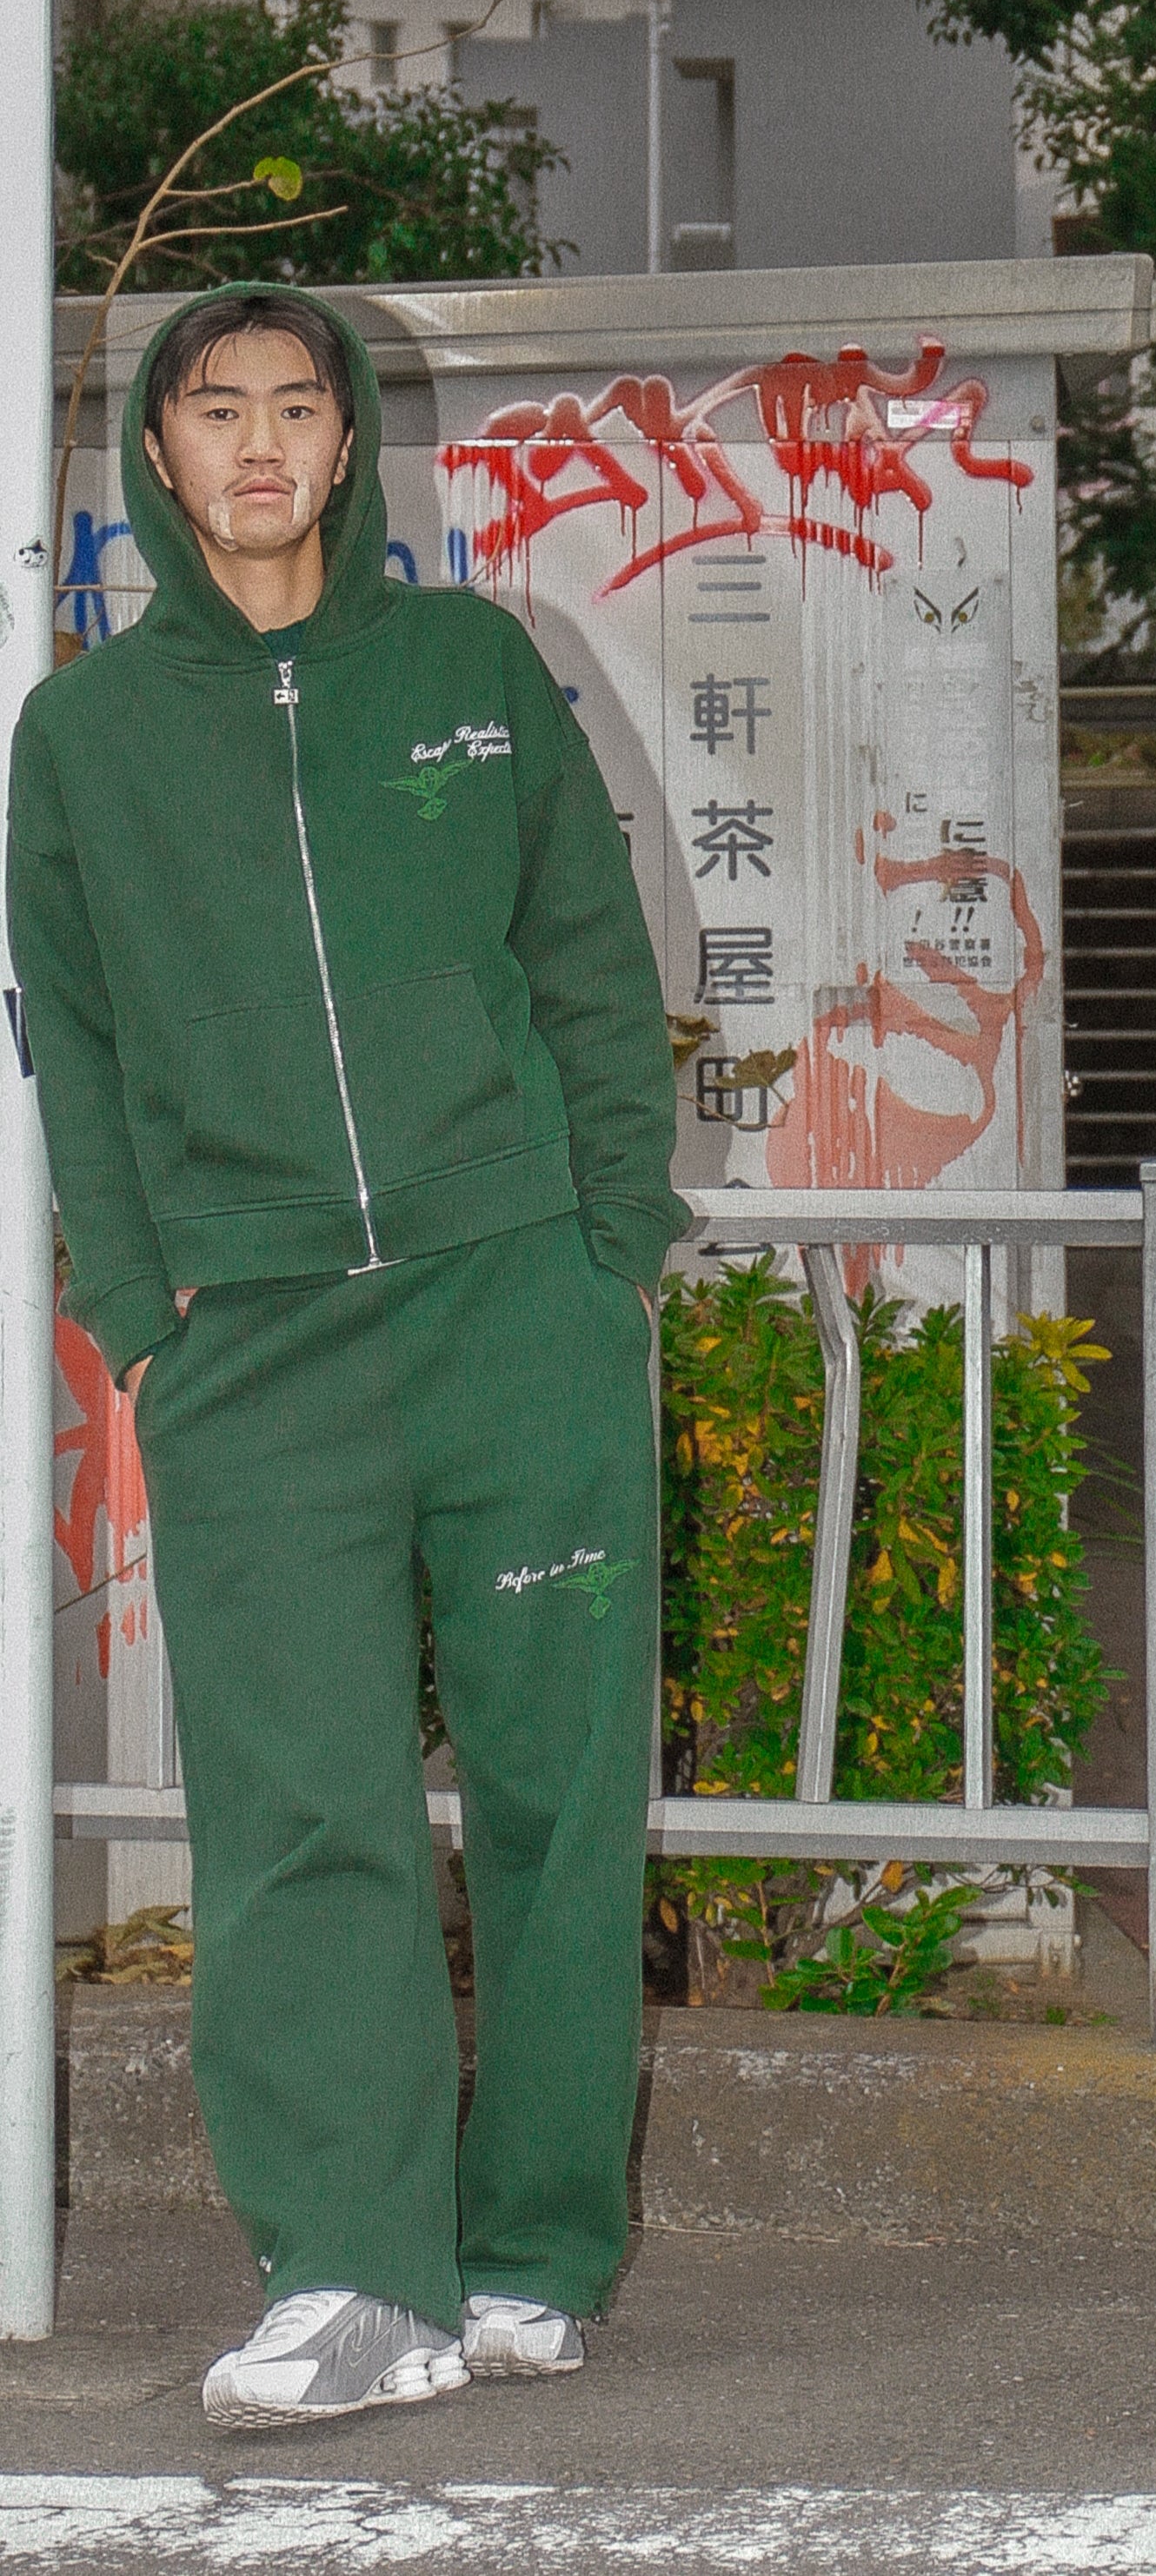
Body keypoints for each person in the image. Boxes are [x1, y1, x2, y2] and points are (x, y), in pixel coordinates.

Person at [7, 285, 687, 2420]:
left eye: (303, 405)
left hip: (516, 1315)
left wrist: (609, 1250)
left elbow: (589, 958)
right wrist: (142, 1300)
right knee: (302, 1811)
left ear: (354, 442)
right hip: (256, 1344)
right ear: (161, 460)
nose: (265, 444)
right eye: (219, 412)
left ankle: (538, 2247)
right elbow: (77, 1043)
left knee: (563, 1796)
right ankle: (353, 2269)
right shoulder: (84, 741)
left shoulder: (473, 670)